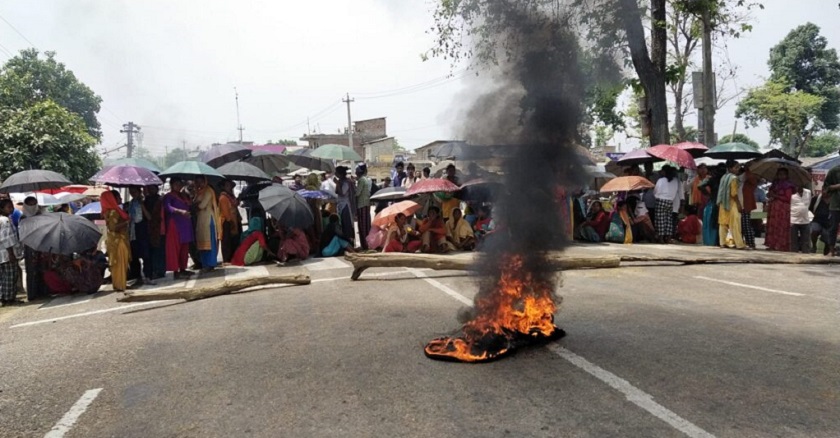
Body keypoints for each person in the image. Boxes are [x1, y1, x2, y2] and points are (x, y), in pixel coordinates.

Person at [162, 178, 195, 279]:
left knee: (185, 247)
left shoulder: (183, 195)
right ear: (172, 185)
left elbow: (190, 204)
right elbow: (168, 208)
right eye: (176, 184)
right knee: (175, 248)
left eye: (180, 184)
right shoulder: (169, 196)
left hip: (185, 224)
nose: (178, 186)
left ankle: (183, 269)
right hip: (175, 224)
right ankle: (176, 271)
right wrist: (180, 211)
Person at [101, 191, 131, 291]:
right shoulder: (114, 212)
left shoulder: (108, 211)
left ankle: (120, 284)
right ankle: (120, 285)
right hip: (119, 241)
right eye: (118, 197)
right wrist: (127, 222)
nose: (121, 199)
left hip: (114, 240)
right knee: (120, 263)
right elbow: (113, 227)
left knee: (118, 263)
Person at [126, 186, 154, 286]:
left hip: (142, 229)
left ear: (139, 192)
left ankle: (148, 276)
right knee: (134, 256)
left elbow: (149, 217)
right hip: (133, 231)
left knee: (146, 255)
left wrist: (142, 206)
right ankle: (137, 276)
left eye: (134, 191)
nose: (133, 194)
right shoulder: (130, 203)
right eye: (131, 192)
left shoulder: (145, 202)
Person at [717, 160, 747, 250]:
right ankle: (739, 244)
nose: (738, 169)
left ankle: (722, 243)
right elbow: (734, 193)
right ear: (730, 168)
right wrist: (738, 204)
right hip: (732, 204)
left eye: (738, 167)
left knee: (722, 224)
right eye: (736, 167)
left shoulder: (723, 177)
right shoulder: (734, 178)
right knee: (735, 224)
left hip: (723, 204)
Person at [194, 175, 220, 272]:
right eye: (197, 182)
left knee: (209, 243)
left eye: (201, 181)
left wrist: (195, 204)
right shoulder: (199, 192)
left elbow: (201, 205)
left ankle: (211, 264)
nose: (199, 184)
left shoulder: (208, 191)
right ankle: (205, 264)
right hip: (201, 220)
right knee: (202, 243)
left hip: (209, 220)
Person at [765, 168, 795, 251]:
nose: (781, 176)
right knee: (773, 225)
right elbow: (769, 194)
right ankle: (772, 244)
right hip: (774, 208)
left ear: (786, 175)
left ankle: (781, 245)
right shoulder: (775, 184)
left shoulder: (788, 185)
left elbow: (788, 198)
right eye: (779, 174)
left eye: (783, 174)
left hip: (783, 209)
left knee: (781, 226)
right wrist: (770, 194)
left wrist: (776, 196)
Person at [0, 199, 23, 306]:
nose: (11, 209)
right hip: (7, 253)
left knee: (4, 277)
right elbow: (6, 238)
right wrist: (11, 253)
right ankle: (9, 298)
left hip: (2, 254)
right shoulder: (5, 221)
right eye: (8, 207)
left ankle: (4, 297)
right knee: (10, 276)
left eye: (11, 207)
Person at [143, 185, 166, 280]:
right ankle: (155, 270)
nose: (151, 190)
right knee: (153, 250)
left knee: (158, 250)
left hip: (157, 228)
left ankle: (159, 270)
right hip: (150, 229)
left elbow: (151, 216)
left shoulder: (159, 200)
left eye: (153, 188)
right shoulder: (147, 200)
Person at [653, 165, 680, 243]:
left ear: (664, 172)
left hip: (661, 200)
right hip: (670, 201)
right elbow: (675, 191)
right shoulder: (675, 181)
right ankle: (668, 238)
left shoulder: (661, 180)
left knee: (660, 219)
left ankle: (661, 238)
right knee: (668, 219)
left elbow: (655, 191)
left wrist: (657, 196)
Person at [218, 179, 242, 263]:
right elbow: (226, 212)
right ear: (223, 187)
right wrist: (230, 221)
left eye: (230, 186)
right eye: (227, 186)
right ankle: (227, 259)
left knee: (234, 240)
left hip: (234, 220)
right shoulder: (223, 197)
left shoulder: (231, 196)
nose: (229, 188)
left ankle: (233, 257)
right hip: (227, 222)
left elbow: (235, 205)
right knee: (227, 241)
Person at [334, 166, 356, 248]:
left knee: (347, 224)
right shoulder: (340, 181)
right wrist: (337, 183)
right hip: (340, 204)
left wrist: (337, 183)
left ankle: (349, 243)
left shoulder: (346, 182)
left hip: (346, 205)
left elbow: (342, 193)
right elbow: (336, 191)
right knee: (342, 224)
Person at [822, 157, 840, 256]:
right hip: (836, 204)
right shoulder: (834, 171)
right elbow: (826, 187)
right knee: (833, 228)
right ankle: (831, 250)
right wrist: (837, 186)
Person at [739, 165, 759, 249]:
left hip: (745, 206)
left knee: (746, 225)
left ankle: (751, 243)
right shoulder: (740, 182)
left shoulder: (749, 182)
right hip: (739, 205)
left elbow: (753, 180)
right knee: (741, 225)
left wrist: (747, 170)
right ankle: (743, 242)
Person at [354, 164, 372, 251]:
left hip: (362, 205)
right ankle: (367, 244)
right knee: (367, 225)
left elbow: (357, 193)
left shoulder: (361, 180)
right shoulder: (367, 179)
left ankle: (364, 245)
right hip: (366, 204)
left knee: (362, 226)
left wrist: (354, 187)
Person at [790, 186, 812, 253]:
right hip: (793, 219)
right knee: (794, 240)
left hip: (805, 219)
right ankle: (793, 254)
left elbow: (809, 202)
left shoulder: (808, 192)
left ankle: (806, 253)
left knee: (806, 239)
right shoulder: (791, 193)